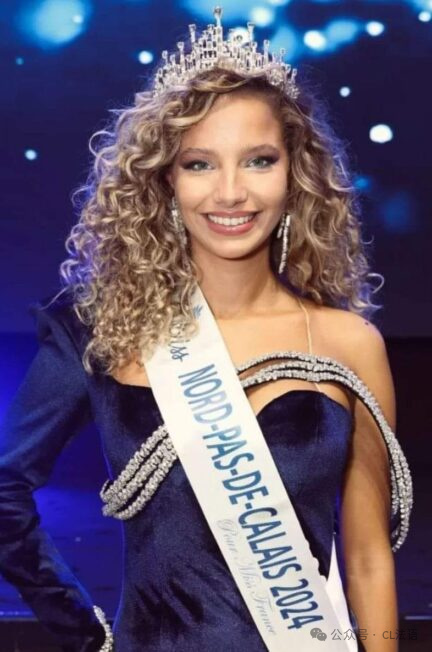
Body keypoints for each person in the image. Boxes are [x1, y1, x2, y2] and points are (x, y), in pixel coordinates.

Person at [0, 6, 412, 652]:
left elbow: (366, 559)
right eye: (199, 164)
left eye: (259, 160)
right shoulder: (103, 331)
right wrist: (85, 632)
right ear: (165, 179)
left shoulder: (347, 344)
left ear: (295, 173)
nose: (230, 193)